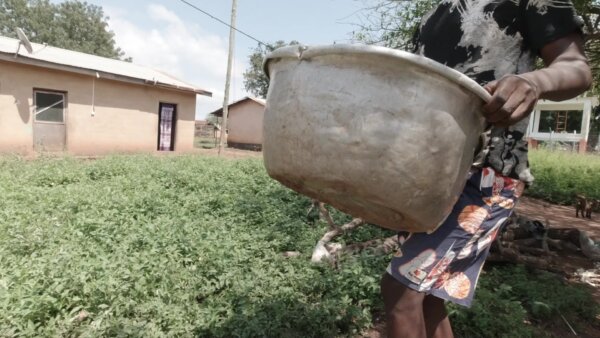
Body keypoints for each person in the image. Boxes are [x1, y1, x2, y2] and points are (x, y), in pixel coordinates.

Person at [381, 1, 592, 337]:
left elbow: (577, 67)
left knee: (400, 290)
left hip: (485, 172)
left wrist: (534, 82)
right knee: (428, 296)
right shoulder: (433, 16)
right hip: (424, 174)